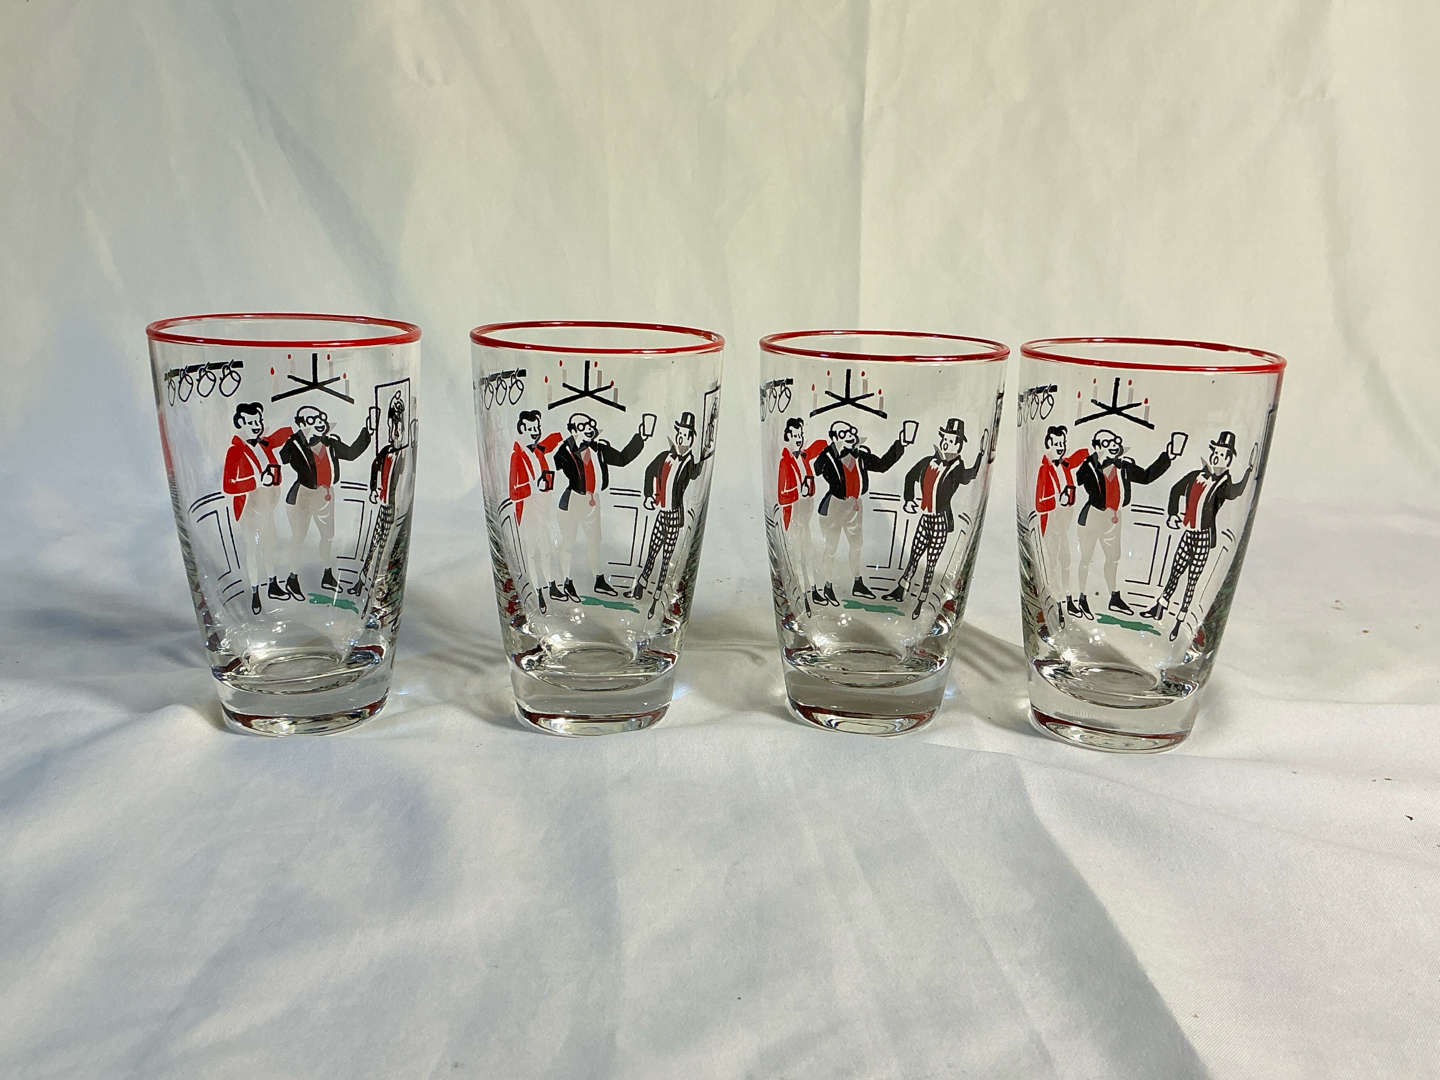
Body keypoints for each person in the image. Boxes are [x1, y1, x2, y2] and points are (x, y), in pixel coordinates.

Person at [1140, 431, 1258, 640]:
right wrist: (1173, 514)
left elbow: (1236, 492)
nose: (1217, 458)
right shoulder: (1196, 475)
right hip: (1188, 533)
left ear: (1229, 460)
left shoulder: (1222, 485)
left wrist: (1250, 470)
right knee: (1175, 571)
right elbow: (1176, 489)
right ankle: (1160, 607)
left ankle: (1179, 622)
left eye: (1222, 455)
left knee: (1192, 580)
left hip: (1203, 537)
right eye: (1215, 453)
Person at [883, 418, 985, 620]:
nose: (947, 444)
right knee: (914, 556)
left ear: (959, 445)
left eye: (952, 441)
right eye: (945, 439)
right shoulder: (929, 461)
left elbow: (970, 475)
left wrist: (982, 455)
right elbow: (910, 476)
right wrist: (909, 499)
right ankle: (900, 590)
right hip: (925, 518)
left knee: (931, 564)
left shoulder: (957, 468)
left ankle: (922, 603)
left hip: (940, 521)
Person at [1073, 428, 1181, 617]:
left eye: (1115, 441)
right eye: (1107, 443)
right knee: (1086, 558)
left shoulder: (1123, 467)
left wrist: (1168, 456)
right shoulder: (1089, 466)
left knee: (1113, 558)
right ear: (1098, 446)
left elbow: (1146, 477)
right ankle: (1082, 597)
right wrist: (1092, 460)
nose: (1113, 445)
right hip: (1092, 516)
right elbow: (1079, 479)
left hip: (1114, 518)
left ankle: (1114, 596)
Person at [551, 411, 650, 599]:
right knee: (569, 542)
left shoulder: (599, 449)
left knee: (594, 541)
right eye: (582, 426)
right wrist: (570, 443)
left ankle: (598, 579)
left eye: (590, 424)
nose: (588, 429)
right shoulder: (567, 451)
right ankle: (566, 581)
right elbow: (554, 463)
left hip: (593, 501)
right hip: (573, 500)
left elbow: (622, 459)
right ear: (573, 430)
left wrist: (641, 438)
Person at [278, 404, 373, 598]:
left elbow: (351, 453)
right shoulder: (295, 444)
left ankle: (327, 574)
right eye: (312, 420)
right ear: (303, 424)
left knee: (328, 535)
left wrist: (367, 432)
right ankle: (292, 578)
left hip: (326, 494)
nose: (319, 423)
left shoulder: (330, 443)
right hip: (303, 495)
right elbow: (283, 457)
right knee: (299, 537)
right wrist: (298, 437)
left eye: (321, 418)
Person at [810, 419, 907, 605]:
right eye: (843, 433)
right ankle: (828, 586)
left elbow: (882, 465)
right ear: (834, 438)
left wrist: (900, 444)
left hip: (854, 507)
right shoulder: (827, 456)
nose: (849, 436)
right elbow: (814, 469)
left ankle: (857, 582)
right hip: (834, 506)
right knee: (831, 548)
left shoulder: (860, 456)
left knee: (856, 545)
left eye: (850, 432)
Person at [630, 411, 712, 617]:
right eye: (679, 434)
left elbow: (696, 474)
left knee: (667, 558)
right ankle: (641, 583)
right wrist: (648, 495)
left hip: (674, 516)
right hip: (661, 513)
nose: (681, 438)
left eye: (685, 435)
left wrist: (704, 455)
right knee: (653, 550)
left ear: (691, 439)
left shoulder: (688, 463)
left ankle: (658, 598)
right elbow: (649, 471)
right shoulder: (665, 456)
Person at [221, 402, 284, 614]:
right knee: (252, 550)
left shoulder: (264, 447)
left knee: (269, 546)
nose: (256, 426)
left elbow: (274, 471)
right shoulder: (235, 451)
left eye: (258, 421)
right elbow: (228, 485)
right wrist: (256, 481)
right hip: (248, 509)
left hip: (267, 507)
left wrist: (274, 482)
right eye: (251, 422)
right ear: (241, 424)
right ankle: (255, 592)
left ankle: (273, 583)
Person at [350, 393, 412, 603]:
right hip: (383, 505)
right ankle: (363, 581)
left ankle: (375, 587)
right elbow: (374, 468)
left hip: (393, 508)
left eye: (398, 428)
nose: (395, 432)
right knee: (375, 543)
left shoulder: (403, 455)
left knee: (385, 547)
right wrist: (373, 489)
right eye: (393, 427)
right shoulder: (385, 452)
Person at [508, 410, 564, 611]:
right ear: (522, 429)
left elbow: (553, 440)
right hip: (528, 513)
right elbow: (512, 492)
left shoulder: (538, 451)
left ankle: (551, 586)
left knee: (547, 550)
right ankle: (537, 591)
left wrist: (568, 431)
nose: (535, 431)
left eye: (537, 427)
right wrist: (533, 487)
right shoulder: (517, 456)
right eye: (531, 428)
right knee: (531, 554)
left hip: (543, 510)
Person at [1034, 424, 1090, 620]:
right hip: (1051, 526)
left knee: (1066, 561)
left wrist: (1093, 448)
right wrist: (1057, 500)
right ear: (1048, 444)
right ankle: (1055, 602)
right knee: (1053, 565)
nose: (1060, 447)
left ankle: (1068, 600)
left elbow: (1078, 457)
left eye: (1063, 443)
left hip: (1063, 525)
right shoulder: (1044, 469)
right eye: (1057, 444)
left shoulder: (1065, 465)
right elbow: (1038, 504)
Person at [776, 417, 823, 606]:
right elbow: (781, 495)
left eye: (801, 435)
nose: (799, 439)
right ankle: (799, 592)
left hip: (805, 515)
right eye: (795, 435)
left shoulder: (803, 458)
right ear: (787, 437)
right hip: (794, 516)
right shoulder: (784, 462)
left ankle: (812, 590)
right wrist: (798, 492)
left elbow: (821, 445)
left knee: (808, 553)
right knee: (796, 556)